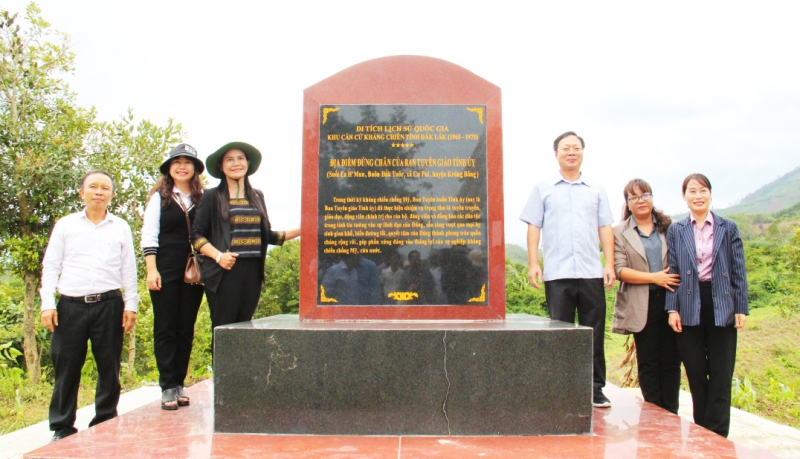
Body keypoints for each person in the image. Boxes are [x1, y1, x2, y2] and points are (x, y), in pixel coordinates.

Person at [40, 170, 139, 442]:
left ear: (112, 195)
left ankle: (105, 423)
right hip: (70, 307)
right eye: (92, 187)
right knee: (67, 368)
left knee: (109, 367)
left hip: (109, 305)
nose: (98, 192)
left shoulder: (120, 226)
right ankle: (62, 428)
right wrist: (47, 304)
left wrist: (131, 304)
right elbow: (50, 266)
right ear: (81, 192)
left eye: (104, 188)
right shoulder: (66, 225)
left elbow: (128, 269)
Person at [520, 131, 616, 407]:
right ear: (556, 154)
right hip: (558, 273)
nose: (571, 152)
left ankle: (595, 388)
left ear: (582, 152)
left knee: (593, 332)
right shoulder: (543, 188)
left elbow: (605, 227)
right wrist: (533, 263)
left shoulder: (596, 189)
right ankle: (560, 387)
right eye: (566, 148)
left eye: (576, 148)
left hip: (590, 272)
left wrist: (608, 263)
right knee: (559, 332)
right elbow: (533, 226)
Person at [666, 173, 748, 437]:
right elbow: (673, 271)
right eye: (692, 191)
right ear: (684, 197)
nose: (698, 195)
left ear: (710, 194)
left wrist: (740, 308)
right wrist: (672, 308)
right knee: (696, 370)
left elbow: (738, 269)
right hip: (689, 301)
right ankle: (703, 432)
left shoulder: (728, 227)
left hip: (721, 301)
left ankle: (718, 435)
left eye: (702, 190)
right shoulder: (677, 230)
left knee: (721, 372)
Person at [191, 142, 299, 332]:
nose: (236, 163)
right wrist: (218, 256)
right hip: (224, 272)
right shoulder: (211, 196)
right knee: (224, 330)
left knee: (244, 330)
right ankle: (220, 363)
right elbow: (197, 236)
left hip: (253, 272)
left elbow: (269, 236)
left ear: (248, 163)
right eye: (229, 159)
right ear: (221, 166)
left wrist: (302, 230)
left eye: (240, 158)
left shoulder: (257, 196)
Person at [141, 144, 205, 410]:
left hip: (195, 271)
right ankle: (167, 385)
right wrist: (151, 269)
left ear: (195, 169)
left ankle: (179, 383)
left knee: (185, 327)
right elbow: (149, 233)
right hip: (165, 269)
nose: (182, 166)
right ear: (169, 168)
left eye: (187, 162)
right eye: (176, 161)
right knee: (165, 326)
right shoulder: (160, 197)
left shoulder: (203, 198)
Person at [612, 179, 681, 413]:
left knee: (671, 361)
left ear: (652, 198)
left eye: (645, 195)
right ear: (627, 204)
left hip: (671, 300)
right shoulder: (619, 232)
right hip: (641, 303)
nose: (640, 201)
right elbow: (620, 270)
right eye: (634, 197)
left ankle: (671, 413)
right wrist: (655, 278)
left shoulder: (670, 227)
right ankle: (654, 414)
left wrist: (664, 282)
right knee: (649, 362)